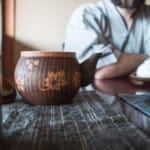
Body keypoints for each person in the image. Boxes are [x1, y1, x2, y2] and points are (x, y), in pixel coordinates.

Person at [64, 0, 150, 79]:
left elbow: (104, 70)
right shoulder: (87, 15)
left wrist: (116, 65)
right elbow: (97, 72)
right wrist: (145, 58)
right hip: (92, 95)